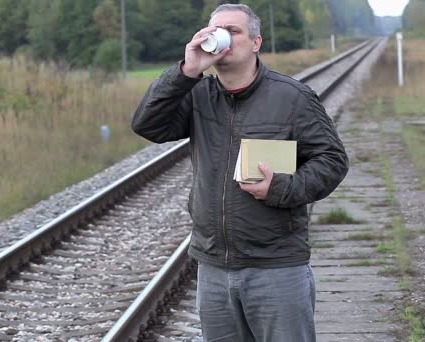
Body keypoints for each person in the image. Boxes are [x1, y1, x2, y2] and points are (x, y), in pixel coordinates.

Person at [132, 4, 348, 342]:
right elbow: (148, 125)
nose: (221, 36)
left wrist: (281, 188)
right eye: (215, 30)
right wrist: (186, 71)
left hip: (277, 266)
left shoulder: (292, 97)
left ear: (256, 42)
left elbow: (332, 160)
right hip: (214, 267)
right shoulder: (198, 95)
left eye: (233, 31)